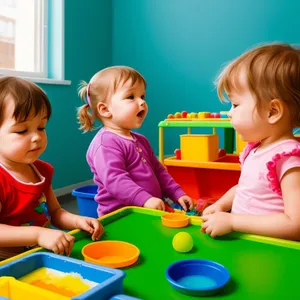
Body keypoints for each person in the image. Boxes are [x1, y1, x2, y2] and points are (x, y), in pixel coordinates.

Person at [201, 43, 300, 240]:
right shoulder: (256, 150)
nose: (230, 112)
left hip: (272, 252)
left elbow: (295, 224)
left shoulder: (288, 159)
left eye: (236, 104)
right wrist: (221, 205)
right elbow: (245, 188)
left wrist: (233, 221)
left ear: (272, 112)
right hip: (247, 243)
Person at [0, 77, 104, 260]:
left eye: (41, 127)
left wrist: (77, 221)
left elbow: (55, 212)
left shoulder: (41, 171)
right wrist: (38, 234)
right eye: (22, 131)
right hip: (7, 263)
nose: (36, 137)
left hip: (40, 256)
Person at [77, 66, 193, 216]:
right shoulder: (105, 144)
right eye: (131, 97)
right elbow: (115, 180)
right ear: (105, 109)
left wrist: (177, 193)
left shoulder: (141, 140)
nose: (142, 102)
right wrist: (145, 199)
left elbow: (159, 172)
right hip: (122, 217)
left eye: (142, 96)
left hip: (148, 211)